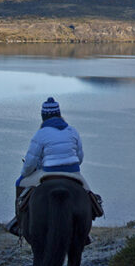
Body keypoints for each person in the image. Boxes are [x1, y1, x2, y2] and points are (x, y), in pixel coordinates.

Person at [6, 97, 103, 236]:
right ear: (59, 114)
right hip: (73, 172)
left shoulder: (41, 134)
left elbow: (30, 163)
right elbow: (80, 158)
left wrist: (25, 173)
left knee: (19, 183)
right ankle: (87, 226)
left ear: (43, 116)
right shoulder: (73, 131)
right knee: (90, 197)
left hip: (47, 172)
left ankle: (20, 223)